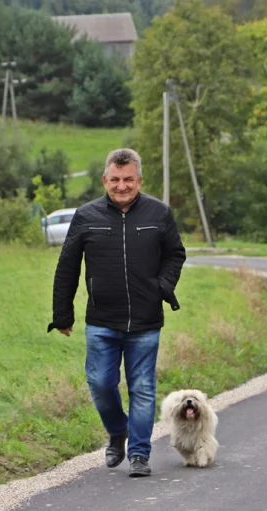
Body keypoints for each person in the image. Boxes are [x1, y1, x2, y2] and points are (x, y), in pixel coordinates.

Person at [49, 148, 186, 478]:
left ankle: (139, 453)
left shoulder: (159, 213)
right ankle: (117, 431)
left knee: (142, 388)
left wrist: (162, 287)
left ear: (139, 179)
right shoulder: (86, 216)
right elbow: (67, 267)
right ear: (104, 180)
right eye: (115, 179)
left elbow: (175, 254)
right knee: (100, 382)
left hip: (146, 320)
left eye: (128, 179)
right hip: (101, 320)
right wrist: (62, 314)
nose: (121, 186)